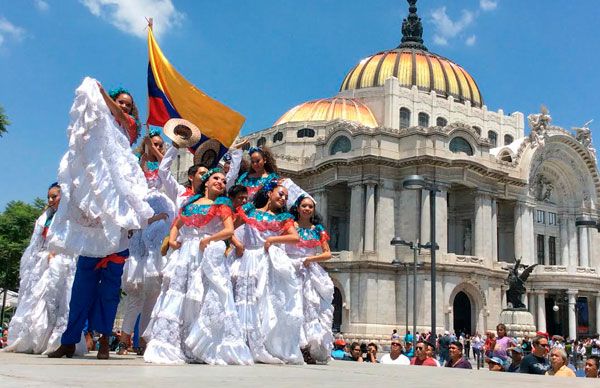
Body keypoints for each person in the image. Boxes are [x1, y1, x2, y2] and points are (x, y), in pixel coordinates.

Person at [47, 78, 153, 360]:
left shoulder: (128, 128)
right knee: (81, 287)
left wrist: (102, 92)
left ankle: (105, 340)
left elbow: (120, 118)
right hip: (94, 220)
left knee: (109, 289)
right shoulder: (97, 126)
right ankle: (70, 340)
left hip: (117, 220)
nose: (123, 107)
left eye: (129, 105)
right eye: (121, 102)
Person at [143, 169, 252, 365]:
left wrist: (210, 239)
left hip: (207, 254)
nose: (220, 182)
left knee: (206, 294)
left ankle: (204, 343)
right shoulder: (190, 203)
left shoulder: (222, 204)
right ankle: (178, 343)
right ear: (206, 182)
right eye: (216, 178)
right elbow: (176, 224)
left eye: (224, 180)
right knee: (181, 294)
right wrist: (174, 241)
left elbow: (228, 230)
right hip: (187, 254)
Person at [4, 183, 83, 355]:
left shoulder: (70, 216)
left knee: (56, 300)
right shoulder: (45, 216)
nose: (50, 200)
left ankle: (55, 341)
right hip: (42, 261)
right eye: (49, 197)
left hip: (60, 261)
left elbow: (71, 240)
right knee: (35, 299)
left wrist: (56, 251)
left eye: (54, 196)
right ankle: (34, 340)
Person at [230, 180, 303, 364]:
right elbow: (228, 227)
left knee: (266, 301)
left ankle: (265, 344)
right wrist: (237, 244)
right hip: (249, 258)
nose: (283, 198)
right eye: (280, 194)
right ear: (269, 193)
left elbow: (295, 237)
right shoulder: (250, 211)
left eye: (286, 196)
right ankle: (245, 343)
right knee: (248, 300)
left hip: (268, 262)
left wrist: (273, 238)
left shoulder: (283, 218)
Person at [118, 128, 175, 356]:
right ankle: (123, 340)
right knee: (136, 291)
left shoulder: (165, 170)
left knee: (154, 291)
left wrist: (162, 156)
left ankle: (143, 341)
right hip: (141, 226)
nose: (158, 148)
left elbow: (167, 173)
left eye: (162, 145)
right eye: (155, 144)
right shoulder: (137, 167)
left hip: (161, 226)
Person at [286, 194, 334, 364]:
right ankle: (292, 346)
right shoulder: (289, 225)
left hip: (310, 271)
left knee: (311, 309)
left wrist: (311, 259)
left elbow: (327, 253)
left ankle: (307, 348)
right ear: (297, 208)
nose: (307, 209)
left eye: (310, 206)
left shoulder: (318, 229)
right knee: (292, 307)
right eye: (304, 206)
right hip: (291, 268)